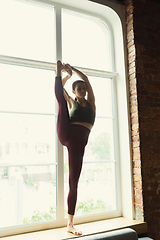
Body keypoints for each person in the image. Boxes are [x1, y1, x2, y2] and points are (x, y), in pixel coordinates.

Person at [55, 60, 96, 235]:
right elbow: (60, 91)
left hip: (78, 144)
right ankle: (57, 71)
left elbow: (86, 78)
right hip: (67, 132)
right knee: (61, 103)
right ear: (74, 91)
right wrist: (66, 75)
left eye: (83, 88)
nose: (82, 90)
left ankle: (70, 224)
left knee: (74, 183)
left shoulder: (91, 104)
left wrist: (74, 70)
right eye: (78, 88)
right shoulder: (72, 102)